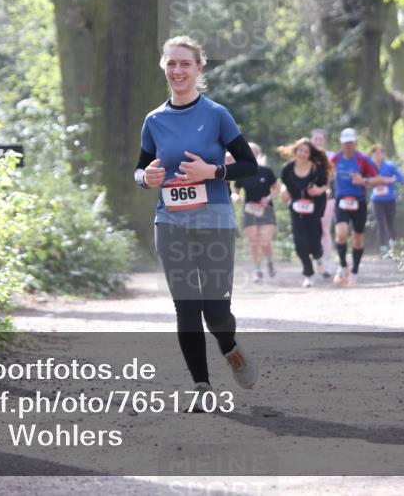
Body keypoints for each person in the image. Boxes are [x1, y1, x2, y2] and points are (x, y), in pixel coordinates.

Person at [135, 35, 258, 394]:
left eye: (185, 63)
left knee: (215, 312)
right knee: (186, 307)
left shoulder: (217, 115)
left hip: (215, 221)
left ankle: (230, 348)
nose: (177, 70)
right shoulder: (154, 120)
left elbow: (249, 166)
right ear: (164, 69)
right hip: (171, 222)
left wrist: (214, 172)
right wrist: (147, 178)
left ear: (199, 68)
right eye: (171, 64)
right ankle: (202, 387)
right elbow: (140, 170)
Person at [278, 138, 332, 287]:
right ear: (296, 151)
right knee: (299, 242)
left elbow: (325, 187)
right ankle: (308, 273)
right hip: (296, 209)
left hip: (315, 208)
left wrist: (318, 190)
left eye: (306, 151)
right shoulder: (287, 169)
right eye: (300, 150)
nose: (302, 153)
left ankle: (318, 257)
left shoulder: (317, 168)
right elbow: (284, 185)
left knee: (315, 242)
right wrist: (283, 191)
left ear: (310, 154)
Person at [330, 128, 379, 285]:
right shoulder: (335, 159)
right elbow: (325, 174)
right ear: (341, 143)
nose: (348, 145)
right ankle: (343, 266)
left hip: (359, 201)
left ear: (356, 142)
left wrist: (363, 181)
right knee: (341, 233)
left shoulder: (363, 160)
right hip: (341, 200)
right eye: (346, 142)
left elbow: (377, 179)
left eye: (351, 142)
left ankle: (355, 271)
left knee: (357, 239)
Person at [233, 143, 280, 282]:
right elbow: (234, 192)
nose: (252, 154)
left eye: (254, 151)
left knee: (265, 241)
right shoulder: (241, 171)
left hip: (266, 209)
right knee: (253, 241)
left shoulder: (266, 171)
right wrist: (237, 197)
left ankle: (270, 262)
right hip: (249, 210)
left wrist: (269, 198)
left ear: (258, 154)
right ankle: (257, 269)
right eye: (249, 151)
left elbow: (277, 188)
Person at [370, 144, 404, 257]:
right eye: (375, 153)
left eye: (380, 152)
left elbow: (401, 179)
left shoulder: (390, 166)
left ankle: (393, 246)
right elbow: (363, 179)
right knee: (380, 224)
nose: (378, 155)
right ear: (372, 154)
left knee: (390, 223)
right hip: (376, 199)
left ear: (383, 154)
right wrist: (374, 182)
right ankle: (383, 249)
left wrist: (390, 180)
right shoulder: (369, 166)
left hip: (389, 199)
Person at [310, 128, 336, 278]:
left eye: (320, 139)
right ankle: (317, 260)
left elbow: (331, 176)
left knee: (325, 230)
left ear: (324, 141)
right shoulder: (306, 156)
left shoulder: (330, 156)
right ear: (311, 141)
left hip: (327, 196)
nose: (318, 141)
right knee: (312, 231)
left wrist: (325, 188)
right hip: (310, 197)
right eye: (315, 139)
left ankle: (328, 262)